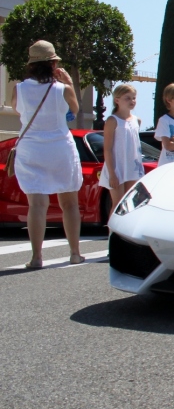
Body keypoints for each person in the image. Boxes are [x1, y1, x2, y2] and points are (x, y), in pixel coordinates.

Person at [11, 41, 84, 269]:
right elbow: (74, 111)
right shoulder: (63, 89)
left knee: (37, 204)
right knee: (69, 203)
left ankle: (36, 257)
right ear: (53, 64)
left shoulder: (19, 89)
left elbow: (17, 110)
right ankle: (74, 253)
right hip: (60, 147)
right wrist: (69, 83)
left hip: (32, 149)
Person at [99, 83, 145, 210]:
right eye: (127, 98)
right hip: (117, 166)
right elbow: (107, 149)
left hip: (132, 166)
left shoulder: (137, 120)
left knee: (130, 204)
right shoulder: (112, 120)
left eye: (133, 98)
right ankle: (112, 230)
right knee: (117, 204)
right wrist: (112, 173)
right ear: (117, 100)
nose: (132, 101)